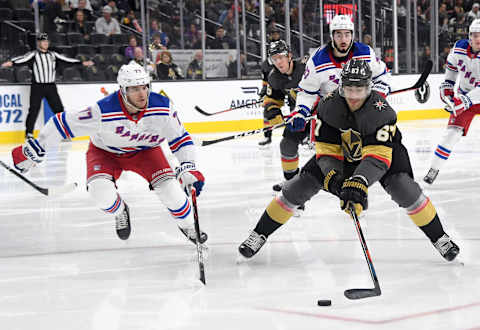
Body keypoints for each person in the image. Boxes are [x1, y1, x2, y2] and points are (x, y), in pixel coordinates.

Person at [238, 59, 460, 263]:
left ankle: (439, 237)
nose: (354, 96)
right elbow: (325, 151)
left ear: (369, 88)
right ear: (341, 87)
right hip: (342, 152)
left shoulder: (382, 113)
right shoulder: (328, 105)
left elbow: (378, 158)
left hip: (384, 153)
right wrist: (336, 180)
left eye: (360, 89)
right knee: (297, 187)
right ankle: (259, 233)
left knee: (404, 189)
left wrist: (359, 182)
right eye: (349, 89)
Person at [11, 62, 207, 244]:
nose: (142, 93)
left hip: (146, 152)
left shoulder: (163, 107)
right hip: (106, 153)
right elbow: (61, 123)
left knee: (172, 192)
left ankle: (188, 226)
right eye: (135, 89)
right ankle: (120, 211)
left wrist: (188, 166)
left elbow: (180, 138)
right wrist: (35, 150)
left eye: (145, 87)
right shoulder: (103, 110)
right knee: (100, 194)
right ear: (123, 90)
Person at [271, 14, 391, 190]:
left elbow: (382, 76)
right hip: (329, 113)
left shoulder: (365, 52)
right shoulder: (318, 59)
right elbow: (306, 91)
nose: (343, 39)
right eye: (338, 34)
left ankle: (356, 193)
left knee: (355, 159)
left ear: (352, 35)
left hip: (359, 111)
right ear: (332, 36)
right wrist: (300, 112)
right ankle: (292, 185)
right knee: (294, 147)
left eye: (347, 34)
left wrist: (376, 98)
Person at [1, 33, 93, 138]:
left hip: (50, 86)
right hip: (37, 86)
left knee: (59, 109)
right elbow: (22, 59)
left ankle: (64, 132)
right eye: (43, 41)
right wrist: (11, 63)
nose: (45, 43)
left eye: (47, 41)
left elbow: (67, 60)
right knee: (34, 109)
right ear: (39, 43)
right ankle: (29, 133)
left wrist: (81, 63)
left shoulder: (53, 55)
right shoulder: (34, 54)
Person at [424, 19, 480, 184]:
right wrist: (447, 93)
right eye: (475, 35)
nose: (478, 39)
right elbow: (449, 78)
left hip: (467, 98)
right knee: (451, 134)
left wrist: (463, 101)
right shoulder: (458, 50)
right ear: (469, 36)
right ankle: (434, 169)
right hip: (465, 96)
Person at [257, 28, 281, 146]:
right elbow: (265, 80)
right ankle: (268, 137)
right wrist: (263, 91)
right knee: (267, 113)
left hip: (287, 87)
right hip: (274, 91)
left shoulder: (284, 58)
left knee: (296, 111)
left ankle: (304, 136)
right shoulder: (266, 64)